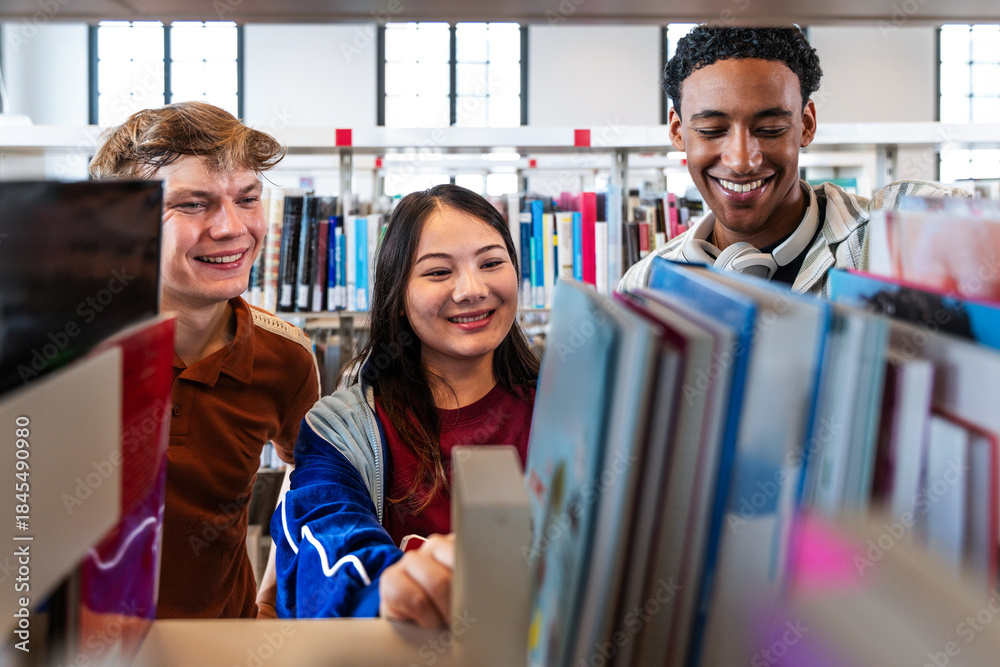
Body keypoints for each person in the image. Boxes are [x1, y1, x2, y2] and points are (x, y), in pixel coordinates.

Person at [89, 101, 321, 619]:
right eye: (194, 203)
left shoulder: (287, 358)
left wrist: (271, 601)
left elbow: (308, 478)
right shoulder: (64, 353)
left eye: (248, 198)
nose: (232, 228)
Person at [273, 184, 539, 628]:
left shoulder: (573, 411)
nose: (472, 289)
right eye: (438, 273)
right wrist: (393, 587)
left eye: (492, 263)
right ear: (398, 297)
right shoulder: (339, 430)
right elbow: (325, 545)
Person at [620, 25, 969, 296]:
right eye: (712, 130)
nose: (742, 160)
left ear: (806, 125)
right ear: (679, 133)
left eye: (771, 129)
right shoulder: (644, 284)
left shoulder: (889, 237)